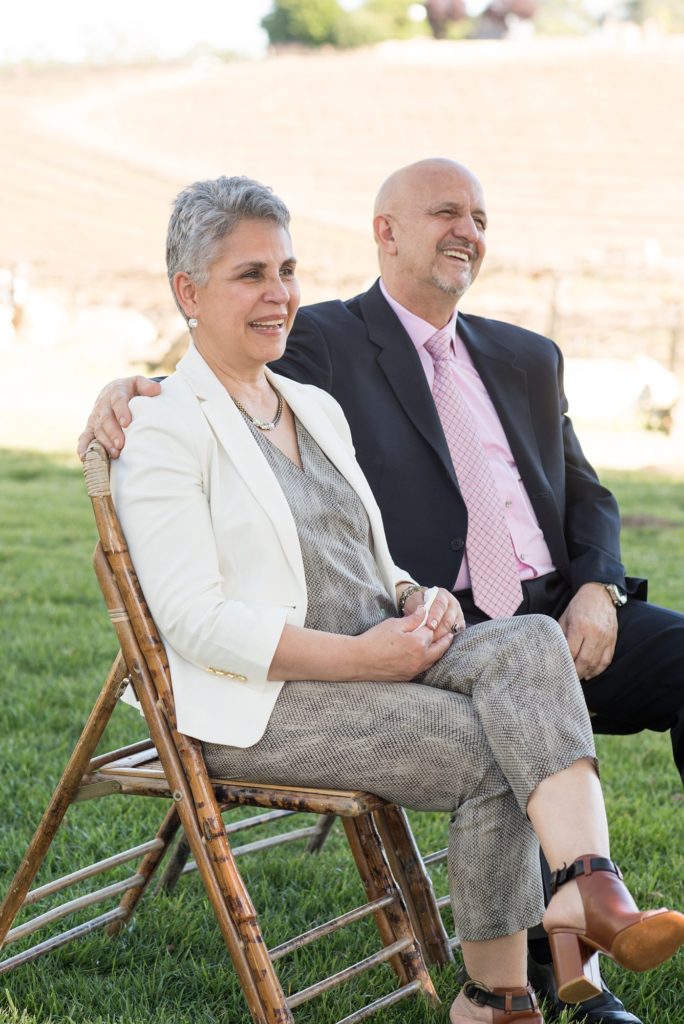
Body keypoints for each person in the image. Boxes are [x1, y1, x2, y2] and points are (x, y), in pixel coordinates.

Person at [78, 160, 684, 1024]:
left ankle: (588, 891)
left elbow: (370, 552)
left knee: (532, 642)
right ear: (189, 288)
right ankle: (499, 996)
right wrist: (363, 655)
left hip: (378, 646)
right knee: (488, 745)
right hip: (263, 698)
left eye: (286, 270)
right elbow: (196, 622)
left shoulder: (307, 405)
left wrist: (414, 597)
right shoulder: (165, 426)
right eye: (250, 273)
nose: (277, 294)